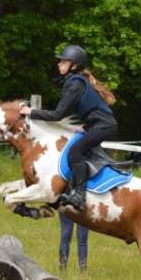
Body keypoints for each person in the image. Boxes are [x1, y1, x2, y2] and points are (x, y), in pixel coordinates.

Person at [20, 44, 117, 210]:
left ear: (74, 65)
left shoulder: (75, 84)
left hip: (104, 126)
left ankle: (79, 195)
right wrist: (85, 126)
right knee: (75, 147)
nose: (59, 64)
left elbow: (58, 115)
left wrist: (31, 111)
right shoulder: (74, 82)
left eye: (64, 62)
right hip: (96, 125)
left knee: (75, 151)